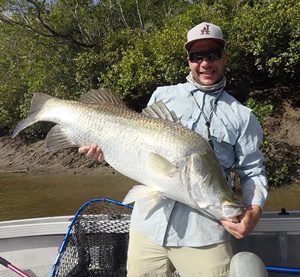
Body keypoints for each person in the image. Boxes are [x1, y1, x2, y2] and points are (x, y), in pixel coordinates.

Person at [79, 22, 268, 277]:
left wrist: (253, 211)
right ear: (188, 60)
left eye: (212, 54)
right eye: (197, 56)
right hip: (148, 226)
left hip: (204, 234)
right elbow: (137, 150)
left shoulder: (242, 116)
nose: (205, 63)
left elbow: (253, 173)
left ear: (224, 57)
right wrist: (106, 150)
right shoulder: (162, 96)